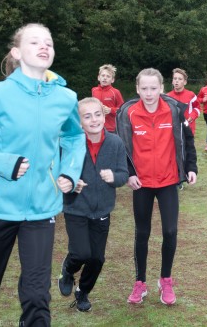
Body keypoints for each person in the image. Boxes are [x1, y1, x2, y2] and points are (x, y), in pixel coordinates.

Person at [0, 23, 86, 326]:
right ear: (16, 52)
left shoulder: (65, 98)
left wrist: (68, 172)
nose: (44, 47)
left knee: (38, 294)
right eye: (35, 42)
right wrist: (1, 163)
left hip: (42, 208)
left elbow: (74, 137)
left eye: (48, 42)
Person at [116, 68, 198, 306]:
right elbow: (121, 146)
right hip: (141, 183)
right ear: (137, 89)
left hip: (168, 180)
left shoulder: (174, 110)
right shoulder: (128, 113)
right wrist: (129, 174)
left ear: (161, 88)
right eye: (144, 88)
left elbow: (187, 140)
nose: (149, 93)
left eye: (153, 88)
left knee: (170, 231)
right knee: (142, 233)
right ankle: (140, 282)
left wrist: (191, 167)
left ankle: (166, 280)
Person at [59, 97, 128, 312]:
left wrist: (114, 178)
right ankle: (68, 269)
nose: (94, 120)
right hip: (76, 208)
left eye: (97, 114)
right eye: (87, 116)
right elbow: (57, 171)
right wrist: (71, 182)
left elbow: (123, 174)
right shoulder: (70, 143)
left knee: (97, 259)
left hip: (102, 210)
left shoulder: (115, 142)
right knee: (81, 253)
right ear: (79, 121)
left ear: (104, 116)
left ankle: (83, 291)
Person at [167, 68, 201, 135]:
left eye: (180, 79)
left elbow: (198, 108)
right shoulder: (167, 97)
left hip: (188, 129)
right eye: (175, 78)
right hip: (173, 131)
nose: (177, 81)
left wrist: (192, 116)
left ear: (185, 82)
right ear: (172, 81)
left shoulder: (191, 95)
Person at [91, 64, 124, 133]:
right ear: (98, 77)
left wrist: (110, 110)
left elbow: (122, 110)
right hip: (96, 127)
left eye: (108, 76)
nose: (105, 78)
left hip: (111, 128)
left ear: (112, 80)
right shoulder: (94, 90)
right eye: (103, 76)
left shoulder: (115, 92)